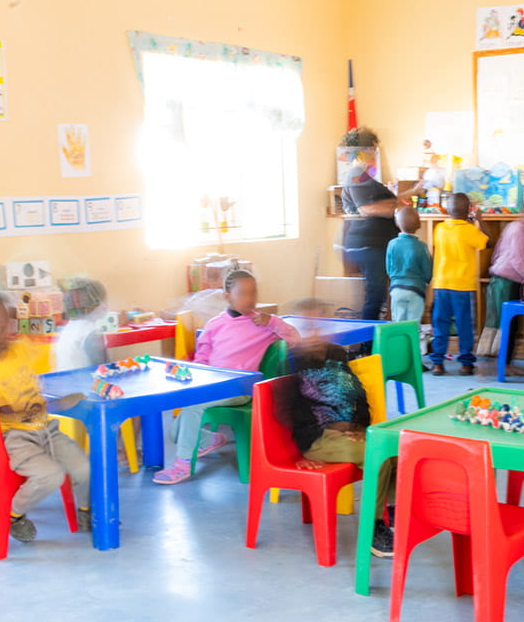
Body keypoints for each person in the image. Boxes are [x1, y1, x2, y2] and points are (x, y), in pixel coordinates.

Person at [0, 291, 91, 542]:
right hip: (16, 437)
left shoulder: (20, 348)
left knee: (83, 467)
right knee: (51, 475)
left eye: (9, 323)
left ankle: (86, 511)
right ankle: (15, 515)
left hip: (46, 430)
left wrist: (65, 393)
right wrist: (31, 408)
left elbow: (48, 363)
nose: (5, 332)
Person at [153, 269, 300, 484]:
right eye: (242, 293)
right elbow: (202, 358)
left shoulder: (263, 324)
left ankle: (183, 464)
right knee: (176, 426)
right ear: (227, 296)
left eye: (253, 293)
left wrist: (272, 321)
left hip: (241, 389)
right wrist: (197, 379)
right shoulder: (214, 325)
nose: (249, 299)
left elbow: (295, 338)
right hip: (213, 385)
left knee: (192, 407)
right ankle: (210, 440)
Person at [288, 338, 397, 557]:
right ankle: (372, 528)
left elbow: (359, 394)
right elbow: (288, 411)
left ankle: (393, 514)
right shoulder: (292, 362)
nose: (316, 333)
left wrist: (359, 426)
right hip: (318, 437)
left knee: (395, 449)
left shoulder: (336, 354)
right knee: (379, 457)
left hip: (346, 433)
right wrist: (299, 450)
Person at [339, 127, 421, 321]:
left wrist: (409, 194)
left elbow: (380, 201)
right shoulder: (355, 175)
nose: (375, 153)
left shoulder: (364, 177)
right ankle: (367, 344)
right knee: (374, 296)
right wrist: (398, 210)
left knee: (377, 295)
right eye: (373, 148)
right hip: (369, 245)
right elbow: (366, 208)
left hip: (374, 245)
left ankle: (372, 339)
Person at [430, 193, 489, 376]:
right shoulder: (470, 230)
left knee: (440, 324)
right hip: (463, 286)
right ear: (469, 211)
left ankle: (437, 363)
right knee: (464, 325)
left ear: (447, 210)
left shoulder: (439, 229)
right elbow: (487, 242)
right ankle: (465, 363)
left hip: (441, 284)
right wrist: (480, 221)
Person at [477, 206, 524, 357]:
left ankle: (505, 362)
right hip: (504, 280)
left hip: (515, 280)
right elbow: (516, 259)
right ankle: (493, 363)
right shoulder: (517, 229)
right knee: (501, 323)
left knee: (512, 324)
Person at [385, 206, 432, 323]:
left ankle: (399, 342)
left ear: (397, 223)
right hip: (416, 290)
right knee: (413, 326)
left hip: (396, 289)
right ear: (418, 225)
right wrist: (426, 281)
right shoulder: (422, 246)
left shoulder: (392, 244)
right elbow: (428, 271)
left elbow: (389, 269)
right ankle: (413, 342)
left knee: (398, 324)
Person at [53, 278, 108, 370]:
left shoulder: (69, 328)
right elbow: (103, 372)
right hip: (85, 382)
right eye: (103, 302)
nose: (106, 307)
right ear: (92, 305)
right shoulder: (91, 333)